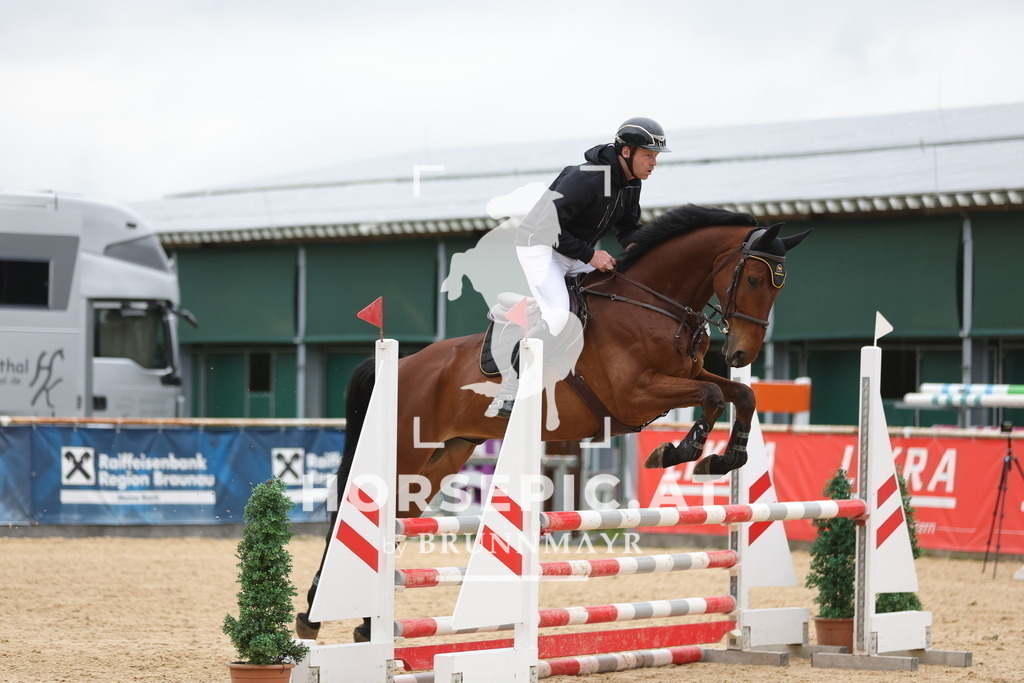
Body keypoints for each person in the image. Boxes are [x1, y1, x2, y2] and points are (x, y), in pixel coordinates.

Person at [485, 116, 670, 418]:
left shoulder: (630, 184)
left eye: (656, 156)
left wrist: (651, 249)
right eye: (649, 155)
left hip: (575, 252)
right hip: (539, 247)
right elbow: (545, 227)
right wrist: (590, 255)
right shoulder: (588, 177)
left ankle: (525, 311)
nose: (654, 163)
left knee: (620, 290)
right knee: (559, 315)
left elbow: (628, 229)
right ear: (627, 152)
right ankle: (511, 388)